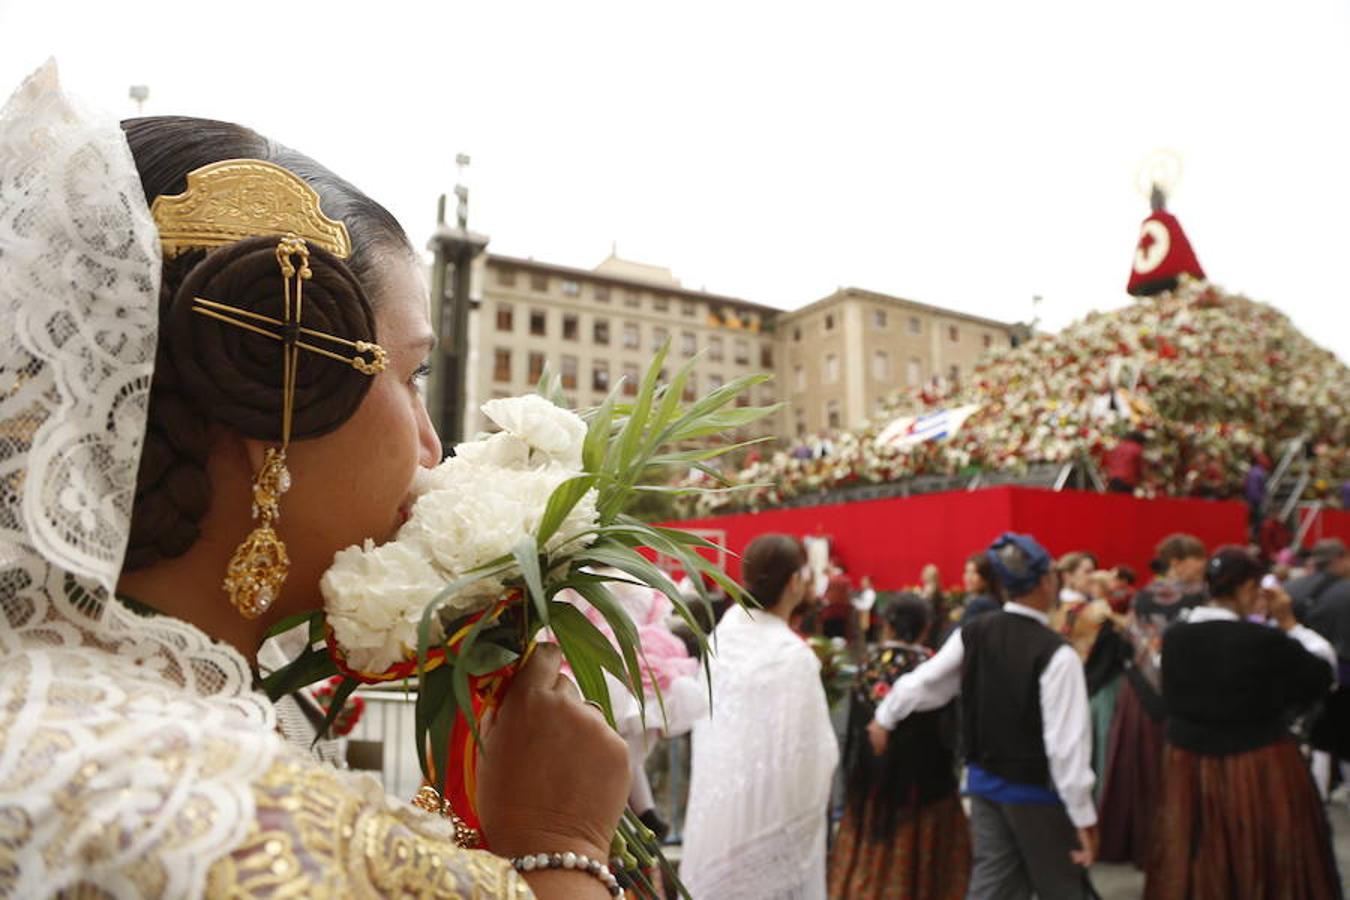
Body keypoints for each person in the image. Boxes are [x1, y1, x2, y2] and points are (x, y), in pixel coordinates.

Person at [0, 67, 630, 898]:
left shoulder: (75, 715)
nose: (433, 448)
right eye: (411, 377)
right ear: (271, 389)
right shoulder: (212, 806)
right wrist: (562, 844)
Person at [869, 533, 1098, 900]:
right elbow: (1065, 747)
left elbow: (925, 685)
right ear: (1044, 581)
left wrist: (885, 716)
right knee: (1063, 886)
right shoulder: (1056, 654)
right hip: (1036, 792)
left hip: (984, 783)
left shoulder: (974, 633)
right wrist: (1083, 814)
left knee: (993, 885)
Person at [1144, 547, 1339, 899]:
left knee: (1196, 851)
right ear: (1249, 588)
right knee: (1260, 851)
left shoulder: (1174, 638)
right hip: (1258, 767)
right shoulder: (1264, 641)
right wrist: (1290, 623)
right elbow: (1322, 674)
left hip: (1187, 767)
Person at [680, 534, 839, 899]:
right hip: (772, 820)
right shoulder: (792, 657)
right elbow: (814, 755)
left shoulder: (721, 641)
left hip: (717, 820)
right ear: (795, 582)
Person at [829, 594, 970, 899]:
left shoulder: (867, 665)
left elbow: (854, 729)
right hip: (926, 785)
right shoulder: (931, 666)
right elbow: (949, 730)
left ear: (888, 626)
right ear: (925, 627)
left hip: (872, 783)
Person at [1097, 533, 1207, 867]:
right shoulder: (1201, 598)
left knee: (1145, 770)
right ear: (1176, 562)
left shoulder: (1145, 596)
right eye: (1196, 559)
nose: (1201, 566)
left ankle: (1148, 843)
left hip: (1142, 696)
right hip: (1187, 695)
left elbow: (1135, 643)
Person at [958, 551, 1005, 626]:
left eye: (974, 573)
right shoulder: (991, 599)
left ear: (986, 577)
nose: (968, 578)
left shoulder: (981, 603)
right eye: (967, 572)